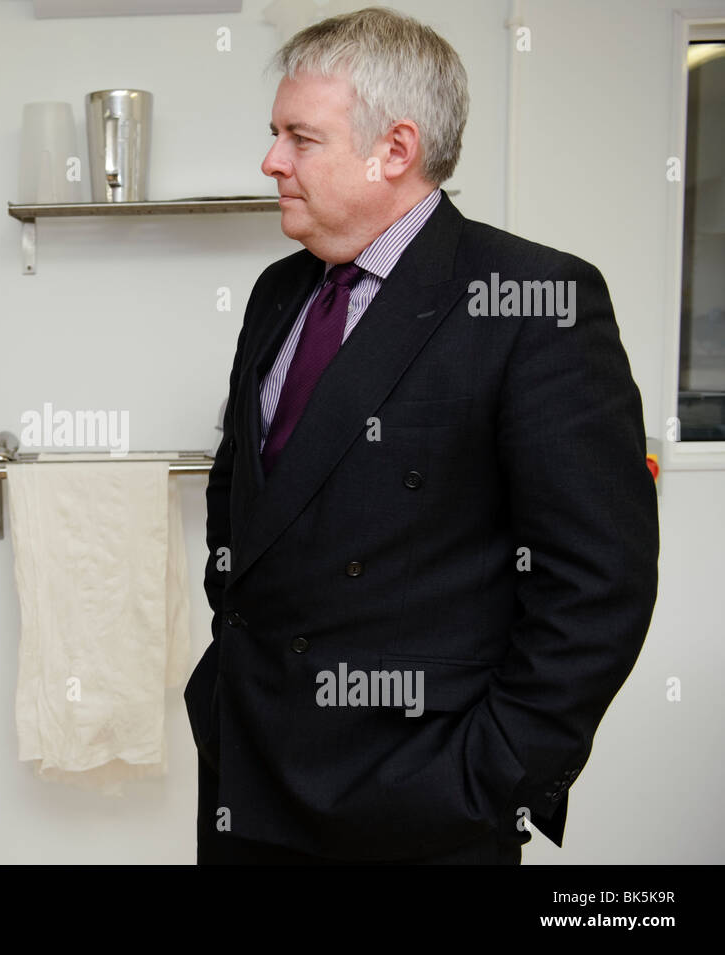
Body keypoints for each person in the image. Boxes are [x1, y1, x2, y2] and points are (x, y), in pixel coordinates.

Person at [185, 7, 658, 864]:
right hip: (247, 775)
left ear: (394, 150)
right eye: (275, 135)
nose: (272, 161)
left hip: (419, 803)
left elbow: (598, 583)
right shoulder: (276, 291)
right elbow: (240, 500)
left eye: (301, 137)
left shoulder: (535, 299)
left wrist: (489, 772)